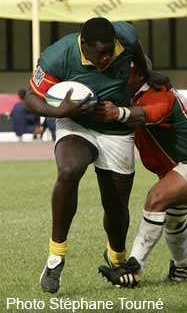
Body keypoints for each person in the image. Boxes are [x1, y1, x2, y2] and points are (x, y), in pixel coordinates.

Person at [24, 17, 163, 293]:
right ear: (83, 44)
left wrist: (149, 73)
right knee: (69, 170)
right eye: (99, 53)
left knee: (115, 206)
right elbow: (31, 97)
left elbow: (137, 53)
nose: (106, 58)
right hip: (76, 124)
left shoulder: (126, 37)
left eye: (110, 51)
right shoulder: (57, 56)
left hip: (116, 128)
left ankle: (116, 257)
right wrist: (59, 112)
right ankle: (55, 257)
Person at [95, 62, 187, 287]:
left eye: (120, 74)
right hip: (175, 168)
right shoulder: (134, 93)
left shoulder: (158, 94)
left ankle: (133, 269)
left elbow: (151, 113)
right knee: (173, 222)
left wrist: (118, 112)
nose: (115, 80)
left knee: (156, 199)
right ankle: (186, 263)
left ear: (137, 75)